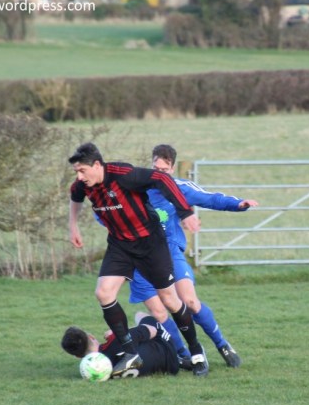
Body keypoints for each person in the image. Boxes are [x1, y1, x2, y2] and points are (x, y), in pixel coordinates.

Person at [68, 142, 208, 378]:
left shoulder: (123, 174)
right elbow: (75, 197)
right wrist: (73, 226)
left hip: (150, 244)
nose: (79, 177)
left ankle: (196, 352)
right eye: (76, 172)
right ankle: (131, 353)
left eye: (82, 171)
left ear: (97, 165)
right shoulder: (83, 184)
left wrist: (185, 212)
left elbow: (161, 179)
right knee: (103, 293)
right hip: (120, 245)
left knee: (170, 299)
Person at [129, 144, 259, 372]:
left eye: (164, 170)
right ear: (151, 165)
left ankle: (222, 345)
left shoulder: (180, 188)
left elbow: (210, 198)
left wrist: (238, 204)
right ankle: (187, 356)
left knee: (189, 302)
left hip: (170, 252)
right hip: (140, 258)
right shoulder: (136, 189)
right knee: (159, 312)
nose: (159, 174)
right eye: (156, 168)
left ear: (172, 169)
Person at [61, 312, 179, 378]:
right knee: (140, 316)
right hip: (169, 356)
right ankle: (183, 352)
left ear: (78, 356)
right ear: (91, 337)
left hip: (163, 368)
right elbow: (152, 330)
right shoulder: (117, 339)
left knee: (138, 338)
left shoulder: (95, 371)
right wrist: (121, 332)